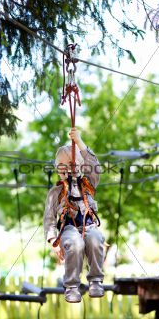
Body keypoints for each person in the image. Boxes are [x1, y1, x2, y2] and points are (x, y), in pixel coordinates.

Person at [43, 127, 106, 303]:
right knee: (75, 243)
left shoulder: (88, 183)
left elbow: (95, 167)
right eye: (62, 167)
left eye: (71, 166)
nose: (67, 171)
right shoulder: (55, 193)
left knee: (95, 237)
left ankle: (95, 281)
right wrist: (53, 241)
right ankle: (71, 286)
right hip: (68, 226)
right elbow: (49, 219)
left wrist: (79, 142)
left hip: (88, 223)